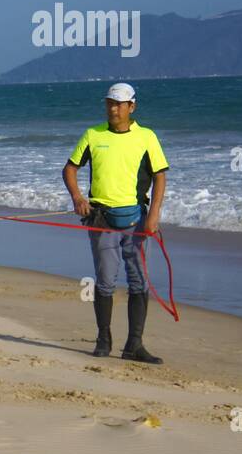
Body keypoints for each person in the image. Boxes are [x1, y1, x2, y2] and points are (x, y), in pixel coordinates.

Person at [62, 83, 169, 363]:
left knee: (138, 281)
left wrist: (155, 213)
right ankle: (103, 339)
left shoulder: (147, 137)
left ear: (132, 106)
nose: (113, 108)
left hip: (136, 221)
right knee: (106, 281)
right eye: (110, 103)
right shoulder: (93, 135)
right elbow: (70, 168)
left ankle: (134, 345)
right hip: (101, 219)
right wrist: (77, 198)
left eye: (119, 104)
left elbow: (160, 176)